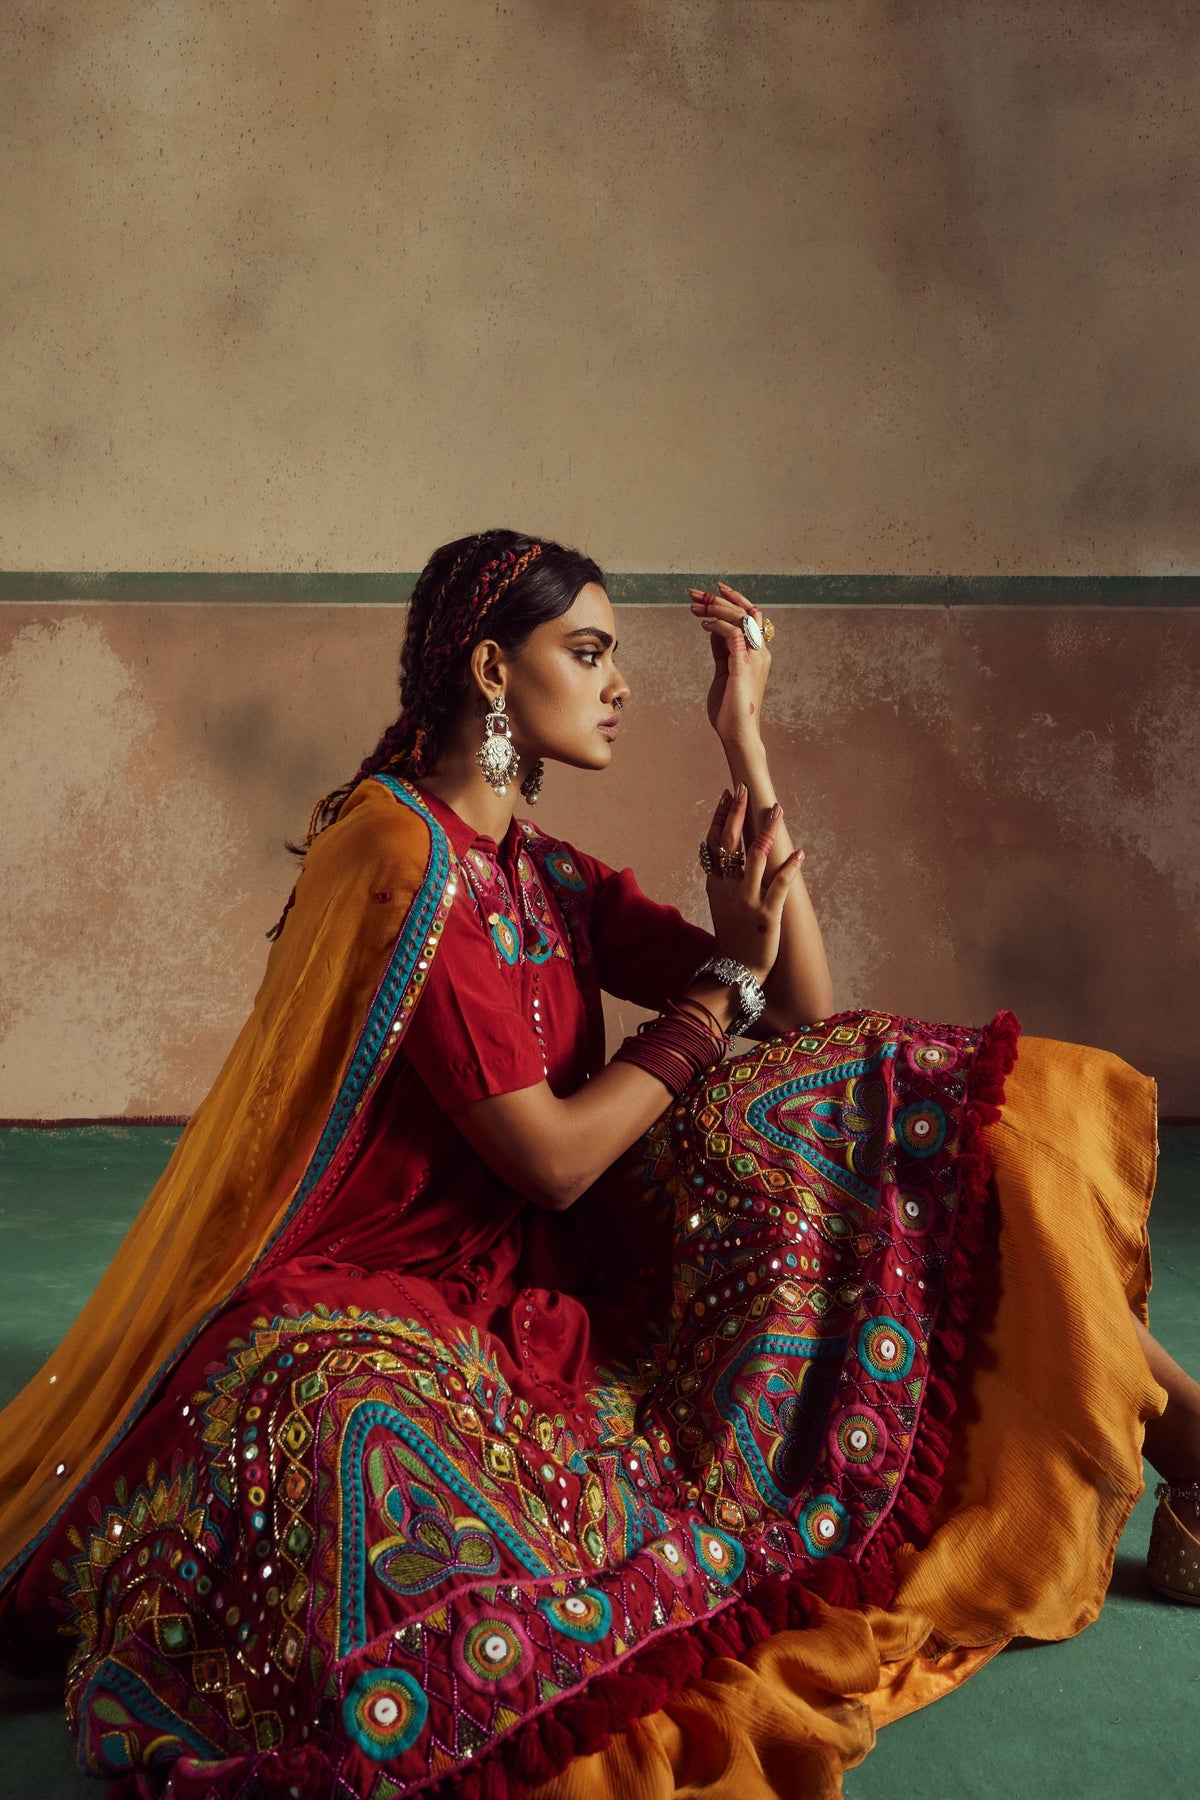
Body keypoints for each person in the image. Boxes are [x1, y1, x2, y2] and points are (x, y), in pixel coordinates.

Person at [0, 527, 1197, 1800]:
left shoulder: (543, 875)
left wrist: (748, 744)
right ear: (492, 672)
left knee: (876, 1086)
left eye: (617, 657)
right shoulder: (406, 862)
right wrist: (717, 990)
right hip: (380, 1300)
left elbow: (804, 1011)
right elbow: (557, 1160)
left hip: (541, 1270)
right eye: (588, 652)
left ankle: (1193, 1448)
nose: (619, 685)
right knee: (361, 1452)